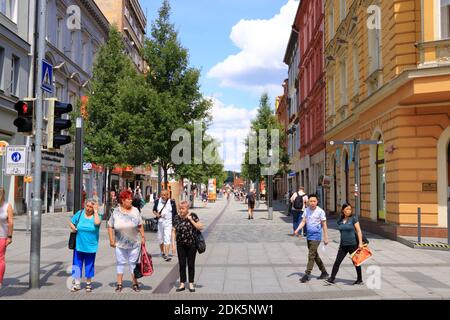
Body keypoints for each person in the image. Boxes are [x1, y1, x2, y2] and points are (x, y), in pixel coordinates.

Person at [108, 190, 145, 292]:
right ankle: (119, 284)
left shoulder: (135, 211)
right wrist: (111, 239)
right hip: (120, 243)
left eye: (131, 198)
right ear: (123, 200)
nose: (131, 200)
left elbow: (140, 224)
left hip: (134, 242)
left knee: (133, 263)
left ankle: (135, 283)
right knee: (120, 263)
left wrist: (143, 236)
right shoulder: (115, 211)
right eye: (129, 199)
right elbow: (110, 226)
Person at [325, 203, 364, 285]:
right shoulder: (339, 220)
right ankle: (332, 278)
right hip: (343, 245)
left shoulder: (353, 219)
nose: (349, 211)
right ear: (343, 210)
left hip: (353, 244)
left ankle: (359, 279)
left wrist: (360, 243)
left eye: (350, 209)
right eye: (347, 209)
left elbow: (359, 231)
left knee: (356, 262)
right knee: (337, 262)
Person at [69, 198, 102, 292]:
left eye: (91, 207)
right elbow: (71, 222)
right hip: (79, 244)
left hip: (91, 245)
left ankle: (88, 283)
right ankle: (77, 283)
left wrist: (96, 211)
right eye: (87, 206)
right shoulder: (80, 213)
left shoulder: (97, 215)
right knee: (77, 264)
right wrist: (74, 228)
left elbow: (97, 223)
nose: (88, 208)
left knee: (89, 264)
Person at [295, 194, 329, 283]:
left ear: (317, 202)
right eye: (311, 201)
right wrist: (297, 230)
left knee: (311, 255)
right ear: (308, 202)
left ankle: (307, 274)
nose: (312, 203)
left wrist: (326, 237)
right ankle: (324, 272)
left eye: (314, 201)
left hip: (316, 236)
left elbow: (324, 225)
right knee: (314, 255)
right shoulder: (306, 210)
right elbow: (303, 222)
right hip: (309, 236)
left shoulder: (320, 211)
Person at [173, 201, 204, 292]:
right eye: (180, 208)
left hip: (191, 244)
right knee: (182, 264)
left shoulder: (193, 216)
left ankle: (191, 283)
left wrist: (191, 220)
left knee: (191, 264)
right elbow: (173, 231)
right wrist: (173, 245)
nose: (181, 210)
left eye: (183, 208)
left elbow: (200, 227)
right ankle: (182, 283)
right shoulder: (176, 218)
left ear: (187, 209)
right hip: (180, 244)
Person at [153, 190, 177, 261]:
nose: (163, 196)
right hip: (160, 222)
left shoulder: (172, 202)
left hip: (168, 223)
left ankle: (166, 255)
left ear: (168, 195)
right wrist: (157, 214)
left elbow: (175, 214)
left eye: (164, 195)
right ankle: (162, 252)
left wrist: (174, 224)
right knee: (160, 239)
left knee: (167, 238)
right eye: (162, 195)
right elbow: (154, 210)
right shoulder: (157, 201)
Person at [0, 188, 13, 289]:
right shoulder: (7, 206)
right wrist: (9, 236)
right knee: (1, 259)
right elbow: (11, 222)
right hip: (2, 236)